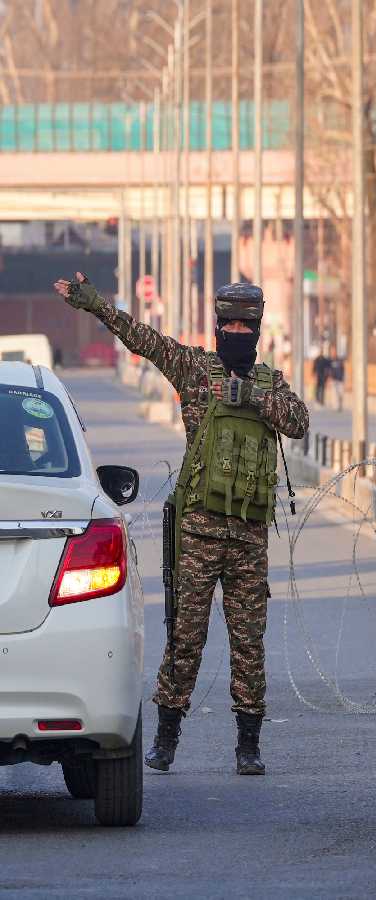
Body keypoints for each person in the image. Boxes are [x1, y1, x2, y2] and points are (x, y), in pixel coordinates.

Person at [53, 273, 309, 776]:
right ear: (218, 326)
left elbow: (298, 421)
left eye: (246, 325)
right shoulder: (194, 370)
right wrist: (94, 305)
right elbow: (141, 338)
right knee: (185, 639)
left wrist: (253, 397)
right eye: (229, 323)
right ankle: (167, 738)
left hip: (249, 536)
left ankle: (248, 744)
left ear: (257, 331)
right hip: (198, 533)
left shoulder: (269, 385)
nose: (237, 331)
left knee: (249, 643)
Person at [330, 348, 345, 412]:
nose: (333, 353)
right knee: (335, 393)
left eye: (334, 352)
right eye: (332, 352)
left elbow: (343, 369)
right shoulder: (330, 361)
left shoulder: (339, 360)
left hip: (340, 379)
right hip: (334, 379)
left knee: (340, 393)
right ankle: (336, 406)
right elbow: (329, 370)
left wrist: (343, 377)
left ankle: (340, 405)